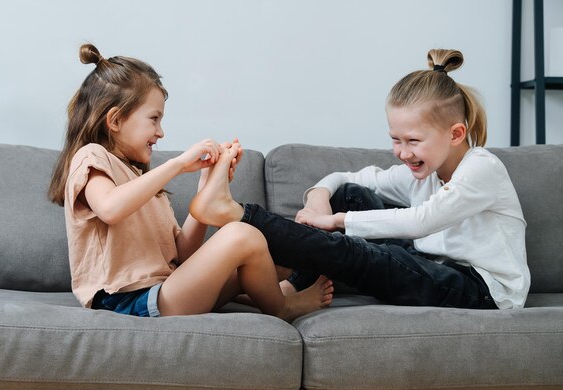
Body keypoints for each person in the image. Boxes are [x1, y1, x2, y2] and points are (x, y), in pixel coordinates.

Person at [190, 49, 530, 310]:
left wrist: (336, 221)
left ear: (455, 134)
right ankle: (291, 290)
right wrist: (318, 196)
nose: (401, 152)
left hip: (483, 291)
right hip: (433, 265)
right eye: (396, 140)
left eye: (412, 141)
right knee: (351, 194)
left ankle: (235, 213)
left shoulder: (482, 168)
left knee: (363, 253)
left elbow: (422, 221)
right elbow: (347, 177)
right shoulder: (424, 170)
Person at [48, 44, 333, 321]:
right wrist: (178, 164)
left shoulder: (140, 180)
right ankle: (281, 307)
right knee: (242, 235)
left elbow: (183, 254)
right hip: (127, 300)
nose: (160, 132)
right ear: (115, 120)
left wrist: (205, 187)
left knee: (278, 257)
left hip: (168, 291)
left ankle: (271, 291)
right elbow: (109, 208)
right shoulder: (91, 157)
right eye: (154, 119)